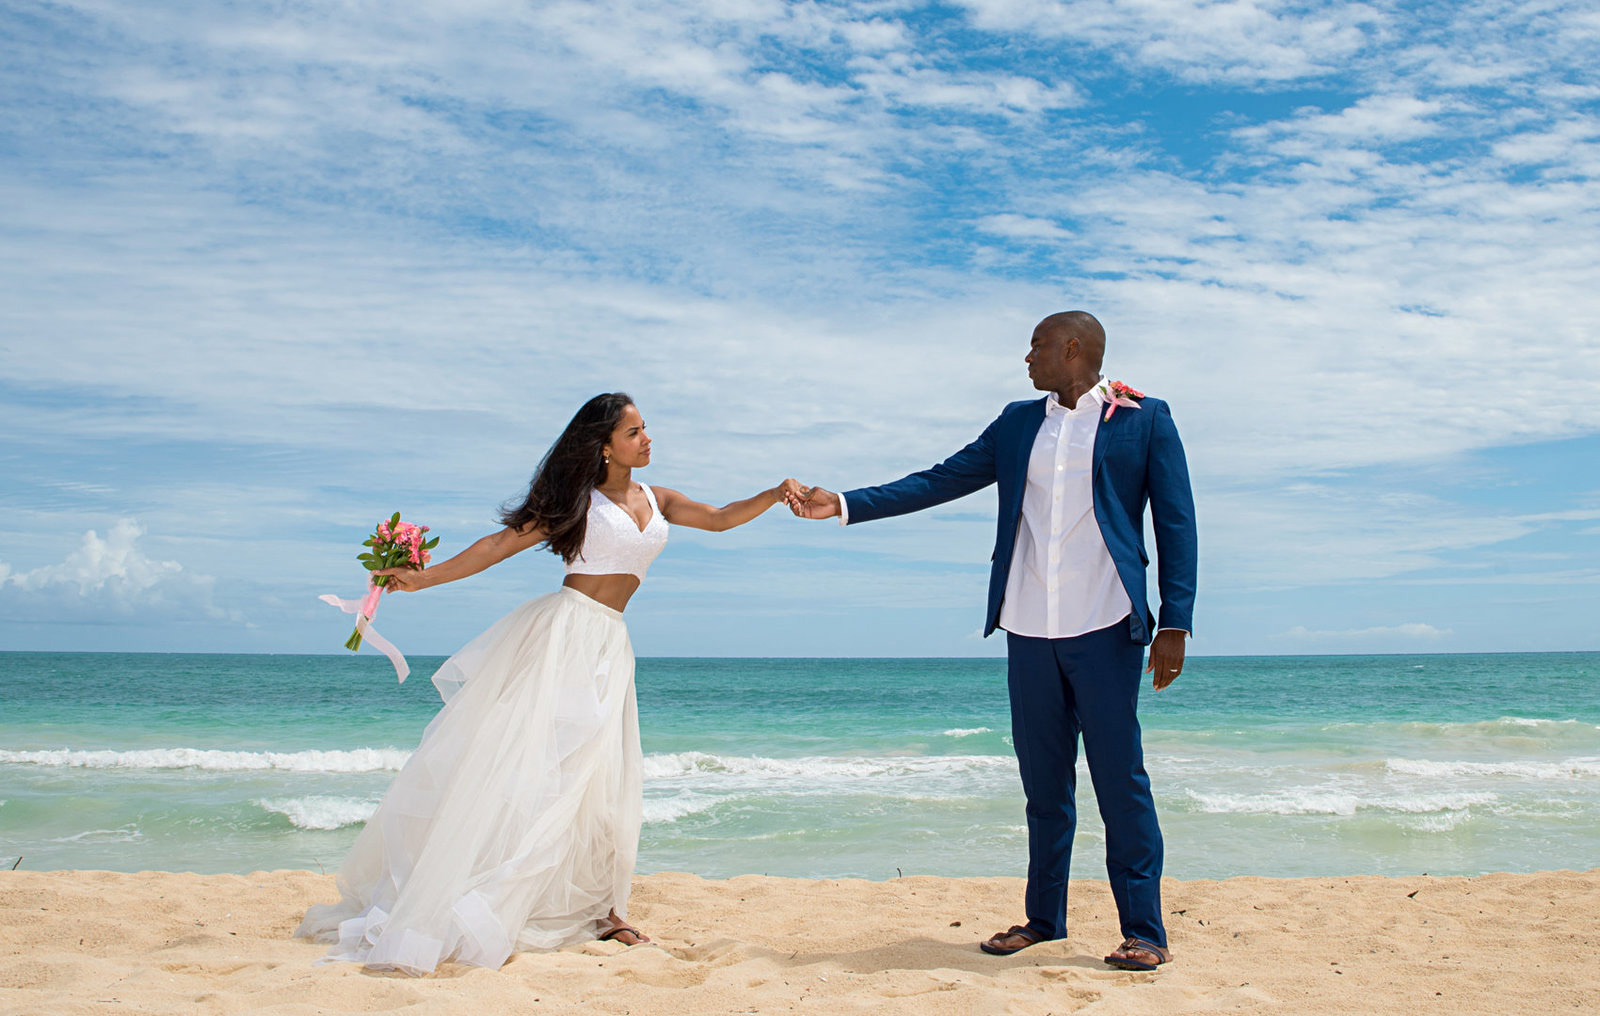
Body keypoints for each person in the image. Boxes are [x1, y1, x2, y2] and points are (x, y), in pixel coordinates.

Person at [296, 392, 801, 974]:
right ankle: (505, 896)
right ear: (604, 443)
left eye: (645, 428)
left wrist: (772, 494)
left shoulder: (657, 498)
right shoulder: (575, 501)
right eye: (634, 431)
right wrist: (423, 579)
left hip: (611, 642)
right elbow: (498, 545)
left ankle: (604, 908)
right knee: (541, 771)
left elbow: (718, 517)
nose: (647, 439)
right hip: (563, 637)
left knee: (602, 778)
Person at [787, 311, 1197, 972]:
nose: (1025, 357)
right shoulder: (1015, 423)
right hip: (1028, 629)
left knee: (1121, 782)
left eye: (1036, 344)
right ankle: (1044, 920)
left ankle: (1144, 930)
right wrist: (842, 502)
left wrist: (1175, 620)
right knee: (1044, 785)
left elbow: (1176, 520)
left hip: (1105, 627)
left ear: (1071, 350)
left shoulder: (1143, 418)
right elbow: (939, 478)